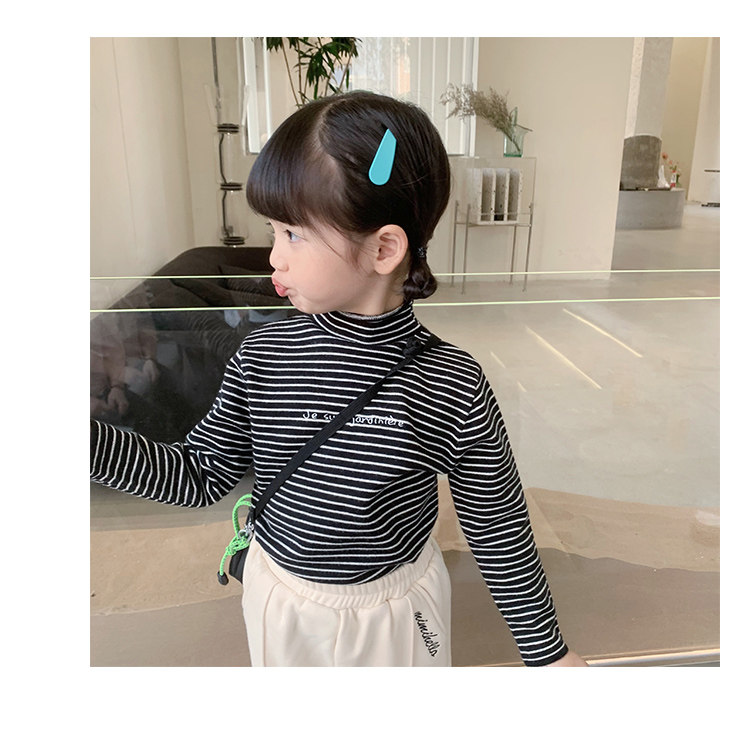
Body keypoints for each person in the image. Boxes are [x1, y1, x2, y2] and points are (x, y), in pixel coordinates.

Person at [91, 90, 588, 667]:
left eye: (293, 234)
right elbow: (197, 476)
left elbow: (498, 528)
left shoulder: (450, 384)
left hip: (395, 618)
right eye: (274, 231)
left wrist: (548, 655)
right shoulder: (263, 355)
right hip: (280, 600)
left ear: (384, 248)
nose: (273, 258)